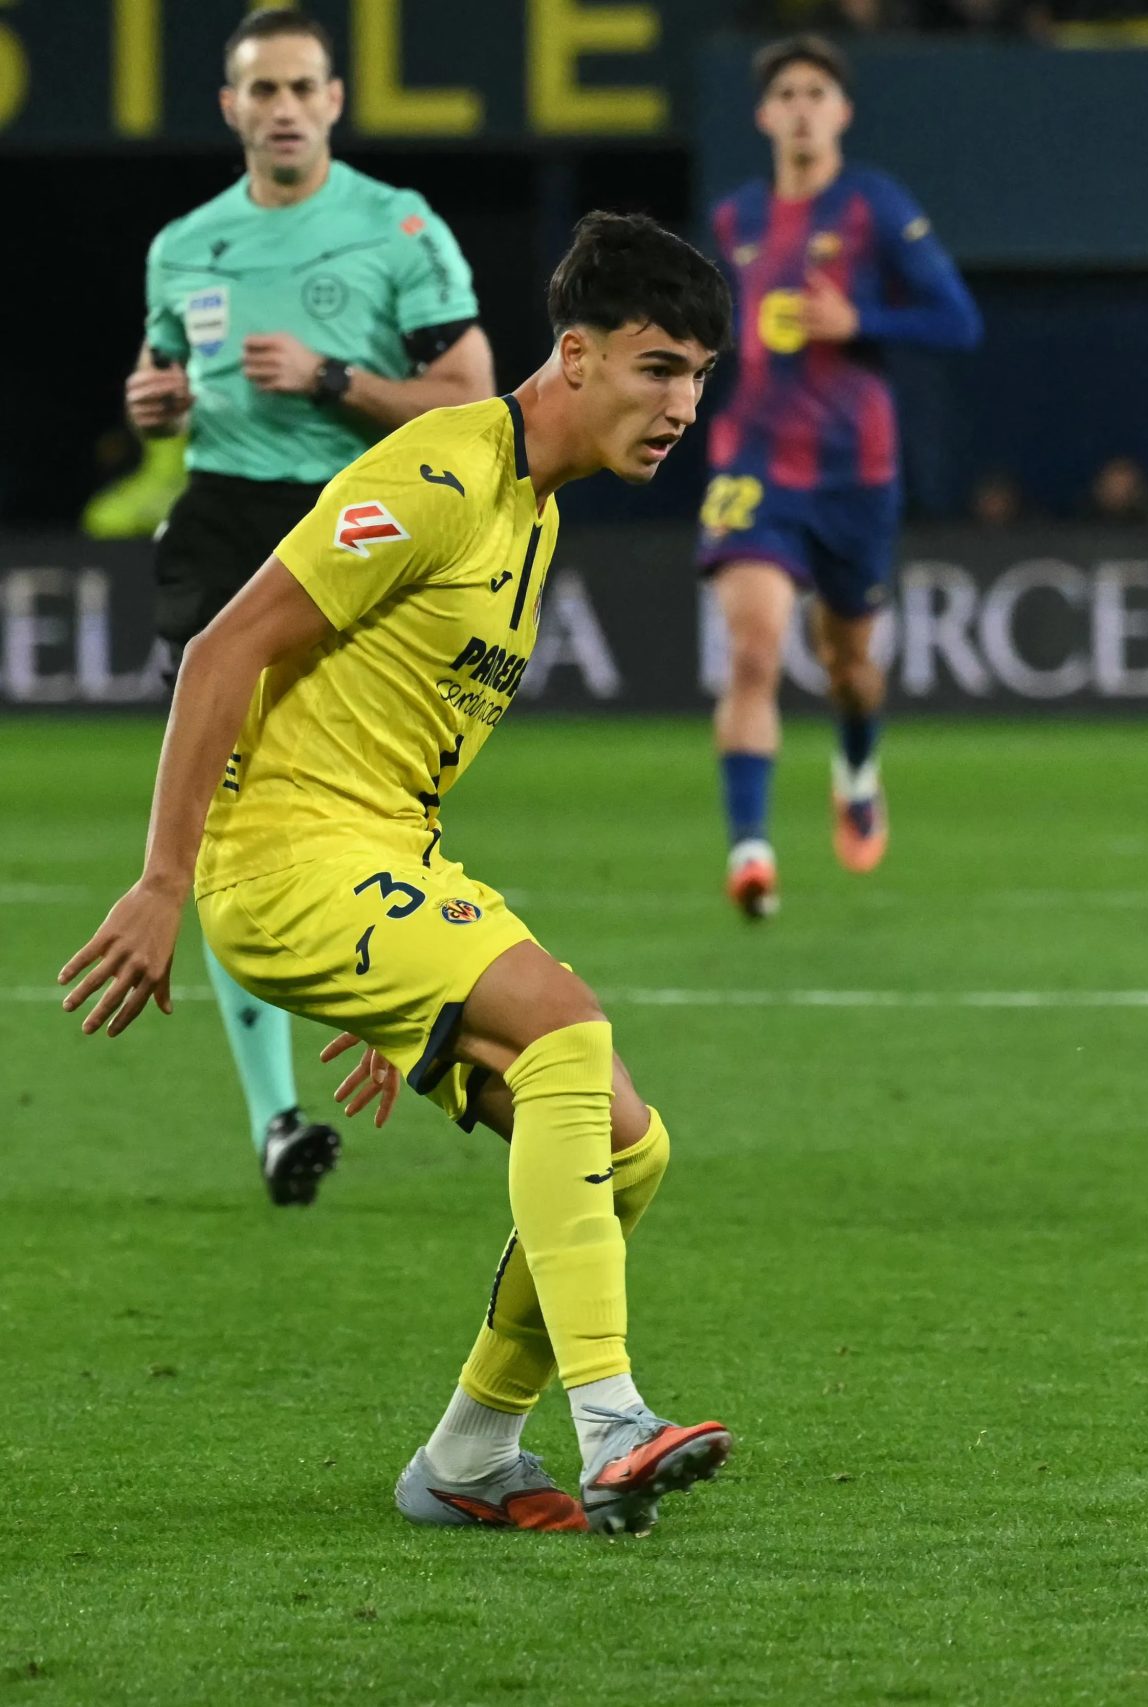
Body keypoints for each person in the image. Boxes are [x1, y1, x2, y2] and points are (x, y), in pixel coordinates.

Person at [60, 212, 738, 1538]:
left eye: (700, 378)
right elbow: (223, 649)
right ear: (577, 354)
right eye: (659, 368)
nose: (681, 407)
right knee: (565, 1023)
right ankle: (613, 1421)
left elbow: (387, 737)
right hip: (284, 861)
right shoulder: (439, 472)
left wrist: (411, 983)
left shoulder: (534, 511)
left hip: (379, 859)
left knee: (626, 1145)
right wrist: (160, 880)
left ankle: (470, 1452)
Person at [125, 6, 496, 1206]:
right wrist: (156, 403)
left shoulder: (398, 227)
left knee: (347, 804)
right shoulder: (185, 247)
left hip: (356, 523)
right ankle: (277, 1119)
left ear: (334, 101)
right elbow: (170, 375)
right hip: (227, 518)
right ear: (230, 107)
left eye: (301, 87)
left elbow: (471, 395)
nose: (282, 107)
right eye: (261, 89)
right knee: (231, 808)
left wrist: (334, 378)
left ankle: (392, 1000)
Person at [698, 34, 982, 920]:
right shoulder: (733, 219)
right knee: (753, 650)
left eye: (817, 93)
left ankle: (856, 767)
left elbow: (958, 321)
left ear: (842, 112)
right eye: (786, 93)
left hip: (855, 468)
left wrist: (857, 318)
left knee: (849, 665)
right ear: (763, 114)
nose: (802, 108)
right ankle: (750, 851)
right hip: (754, 459)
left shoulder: (872, 205)